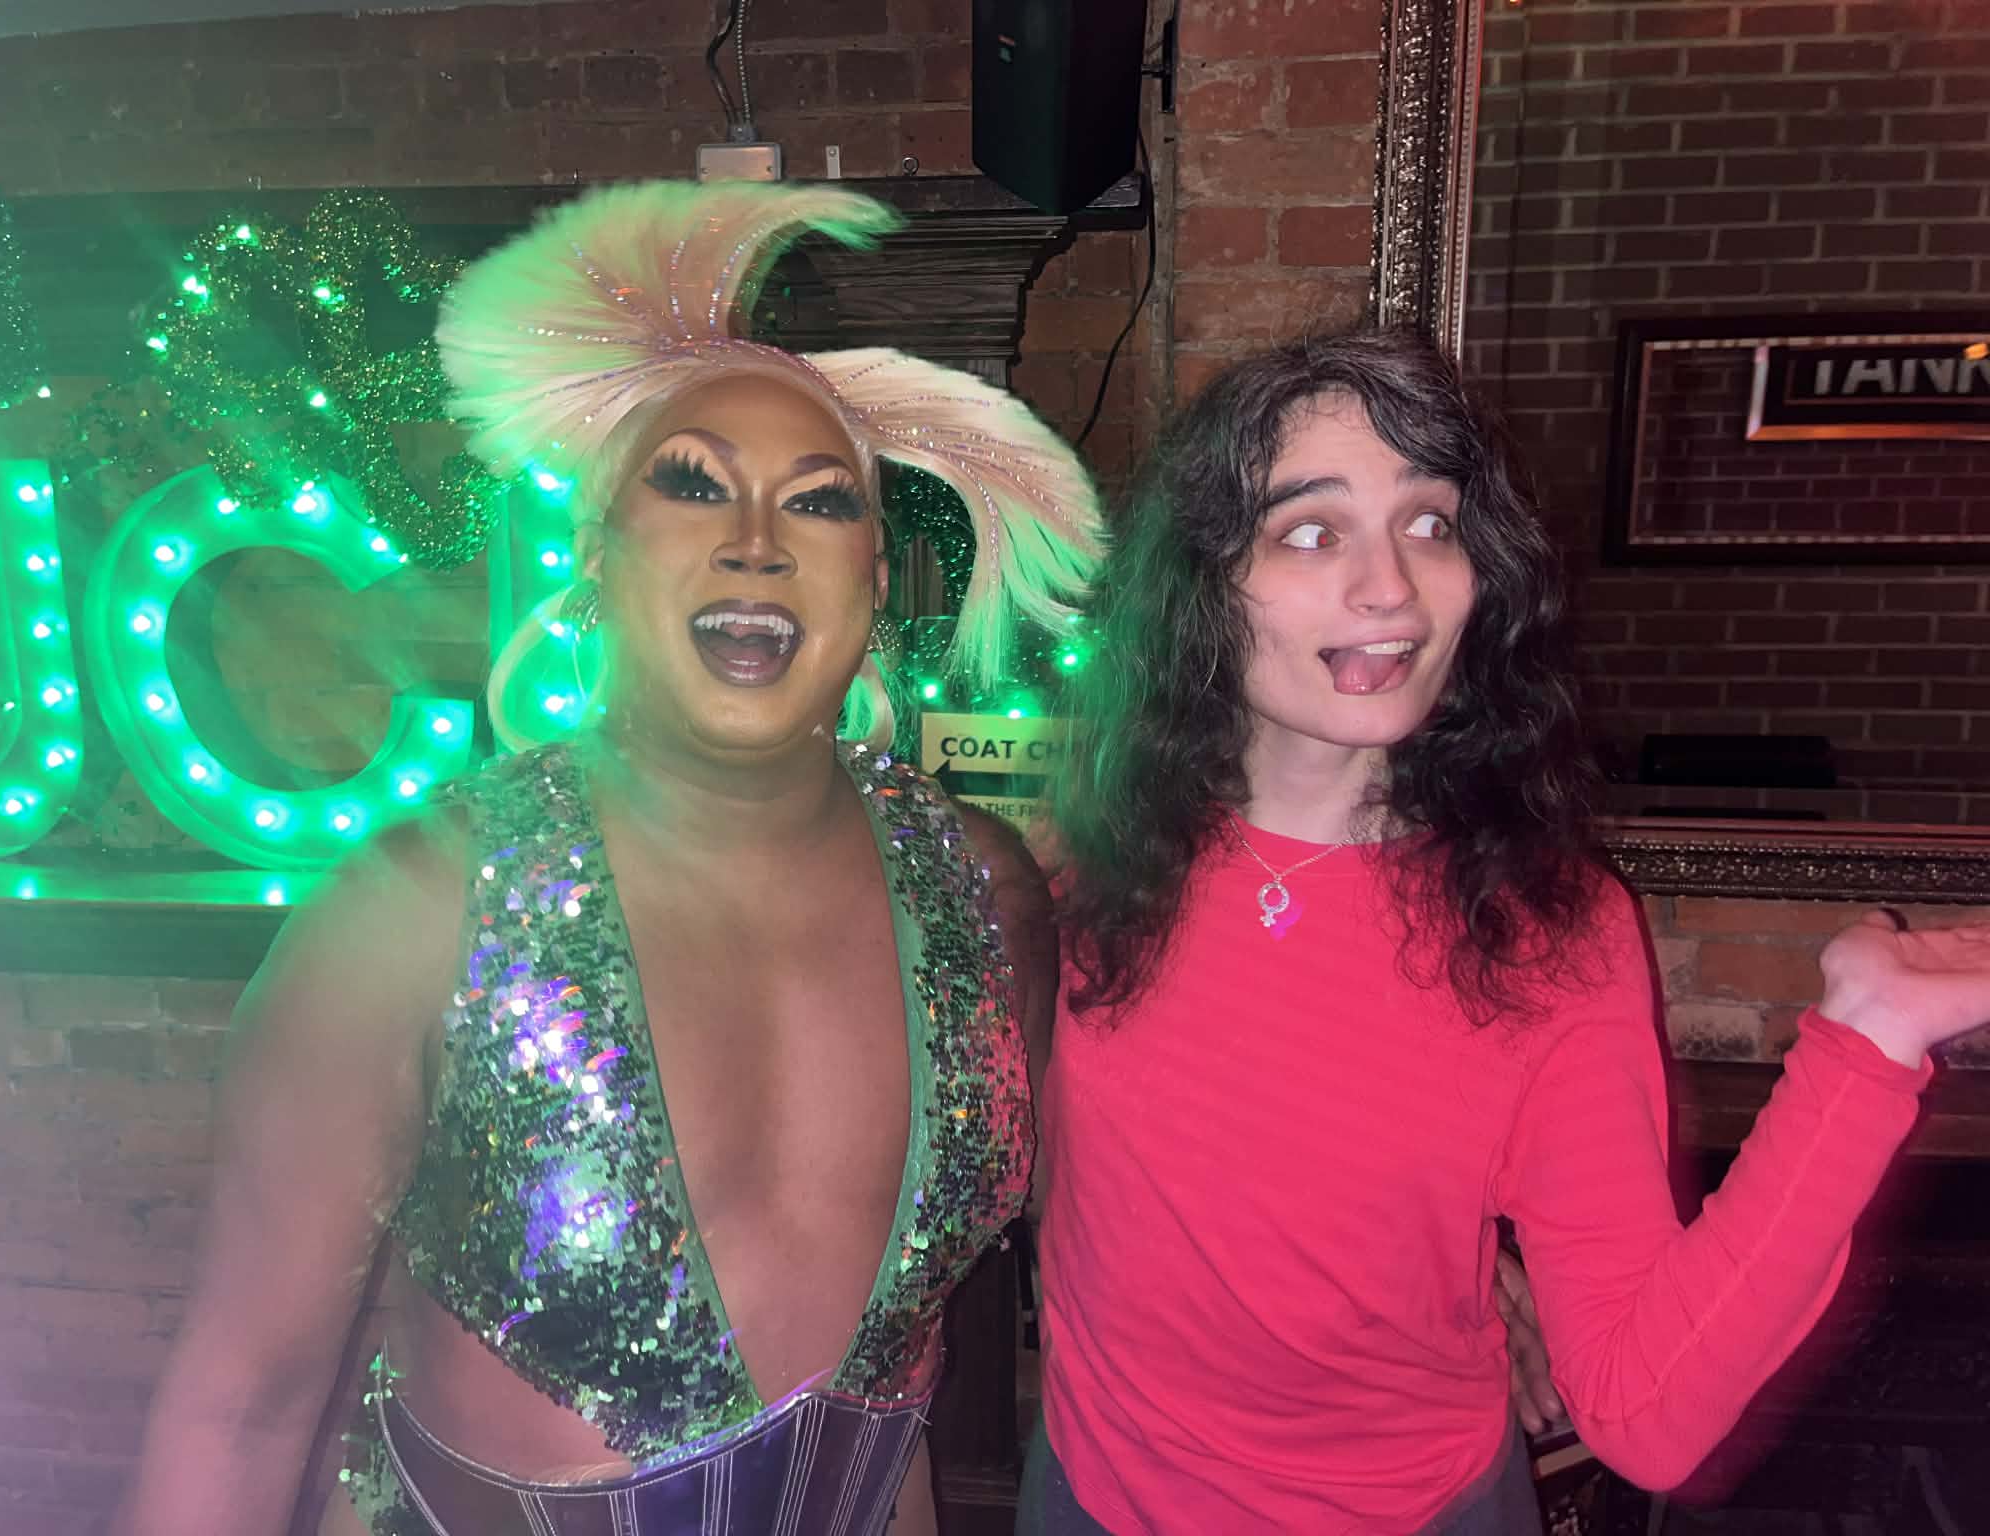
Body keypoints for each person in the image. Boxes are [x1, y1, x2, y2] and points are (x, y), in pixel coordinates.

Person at [112, 181, 1100, 1536]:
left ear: (875, 583)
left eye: (818, 504)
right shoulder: (418, 908)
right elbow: (240, 1406)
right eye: (691, 484)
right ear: (594, 558)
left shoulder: (981, 897)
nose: (755, 543)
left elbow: (903, 1389)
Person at [1027, 330, 1990, 1534]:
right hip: (1087, 1492)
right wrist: (1471, 1262)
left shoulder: (1545, 929)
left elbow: (1645, 1413)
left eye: (1429, 523)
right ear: (1200, 583)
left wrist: (1868, 1041)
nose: (1390, 587)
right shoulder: (1092, 858)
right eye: (1310, 531)